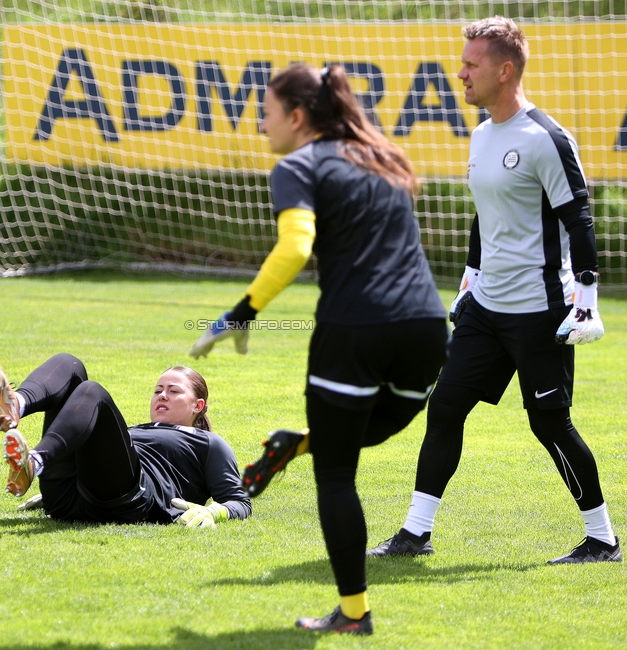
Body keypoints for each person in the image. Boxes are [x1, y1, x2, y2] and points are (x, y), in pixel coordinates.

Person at [189, 64, 448, 635]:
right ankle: (299, 443)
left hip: (355, 328)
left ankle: (354, 615)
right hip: (428, 326)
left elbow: (295, 247)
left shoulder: (297, 165)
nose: (261, 125)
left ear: (297, 117)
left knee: (338, 476)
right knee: (373, 426)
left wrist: (239, 315)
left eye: (267, 112)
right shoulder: (380, 156)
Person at [368, 16, 619, 565]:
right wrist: (470, 280)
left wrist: (586, 300)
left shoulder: (546, 139)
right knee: (445, 406)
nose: (460, 73)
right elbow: (487, 218)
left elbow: (579, 221)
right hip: (486, 310)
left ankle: (602, 539)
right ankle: (415, 533)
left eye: (470, 64)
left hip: (539, 311)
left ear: (504, 71)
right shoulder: (481, 135)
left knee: (549, 423)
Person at [0, 354, 251, 528]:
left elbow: (240, 502)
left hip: (127, 500)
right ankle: (16, 404)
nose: (162, 395)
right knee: (70, 365)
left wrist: (216, 513)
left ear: (198, 405)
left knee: (91, 392)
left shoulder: (208, 443)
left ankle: (35, 463)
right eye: (158, 390)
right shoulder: (135, 429)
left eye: (173, 391)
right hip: (67, 499)